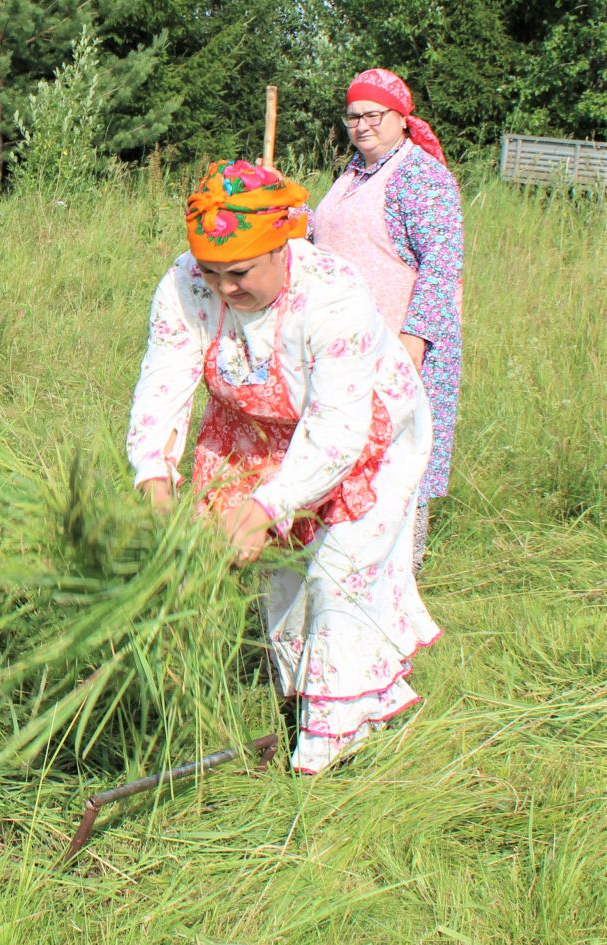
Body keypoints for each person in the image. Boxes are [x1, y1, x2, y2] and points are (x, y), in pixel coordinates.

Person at [127, 159, 441, 775]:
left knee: (338, 572)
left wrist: (270, 504)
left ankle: (334, 746)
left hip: (361, 431)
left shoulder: (332, 293)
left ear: (283, 245)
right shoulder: (185, 283)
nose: (224, 290)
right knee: (284, 576)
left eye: (239, 273)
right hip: (260, 431)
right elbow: (162, 382)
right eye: (212, 274)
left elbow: (337, 429)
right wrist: (154, 482)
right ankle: (307, 702)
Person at [310, 68, 463, 567]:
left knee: (395, 459)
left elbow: (442, 268)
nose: (362, 125)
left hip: (397, 347)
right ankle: (337, 567)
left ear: (401, 118)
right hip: (341, 343)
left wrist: (413, 343)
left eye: (373, 114)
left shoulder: (422, 177)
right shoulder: (355, 173)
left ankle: (397, 578)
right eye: (353, 115)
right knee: (342, 450)